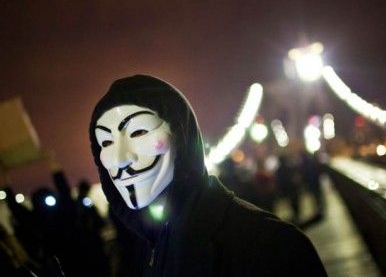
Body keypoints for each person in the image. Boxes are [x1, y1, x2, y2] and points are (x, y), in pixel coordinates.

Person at [89, 75, 326, 276]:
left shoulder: (273, 246)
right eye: (106, 142)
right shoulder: (146, 249)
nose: (120, 158)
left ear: (182, 135)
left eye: (138, 131)